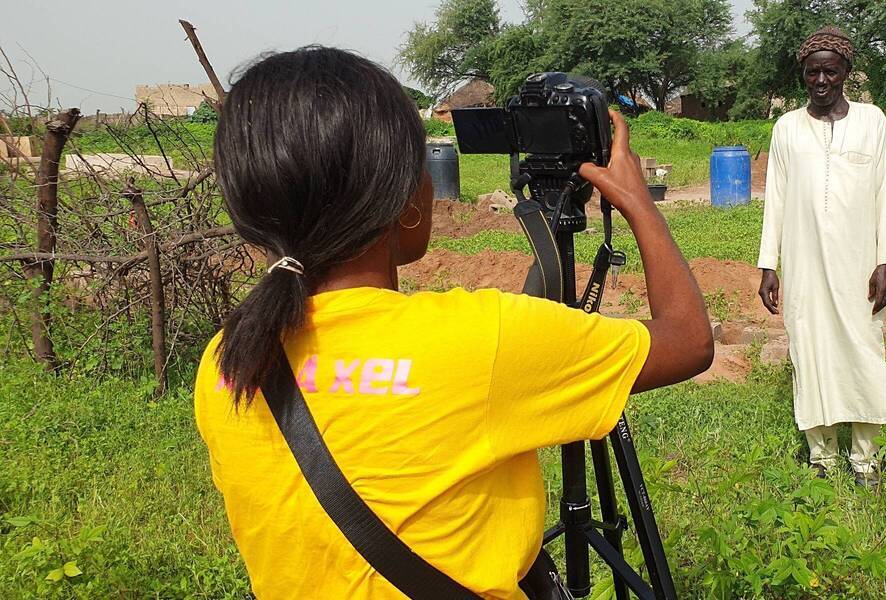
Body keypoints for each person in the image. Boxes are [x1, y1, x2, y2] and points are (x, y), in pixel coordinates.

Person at [193, 47, 713, 599]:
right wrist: (639, 203)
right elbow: (689, 339)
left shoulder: (226, 360)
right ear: (403, 200)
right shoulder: (479, 338)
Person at [756, 27, 886, 488]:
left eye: (831, 71)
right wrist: (769, 264)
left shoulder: (872, 121)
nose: (821, 80)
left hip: (859, 264)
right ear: (803, 76)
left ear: (846, 72)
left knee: (864, 349)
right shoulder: (787, 127)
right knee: (809, 351)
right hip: (804, 263)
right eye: (813, 72)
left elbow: (884, 194)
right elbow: (776, 199)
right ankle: (822, 457)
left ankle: (864, 459)